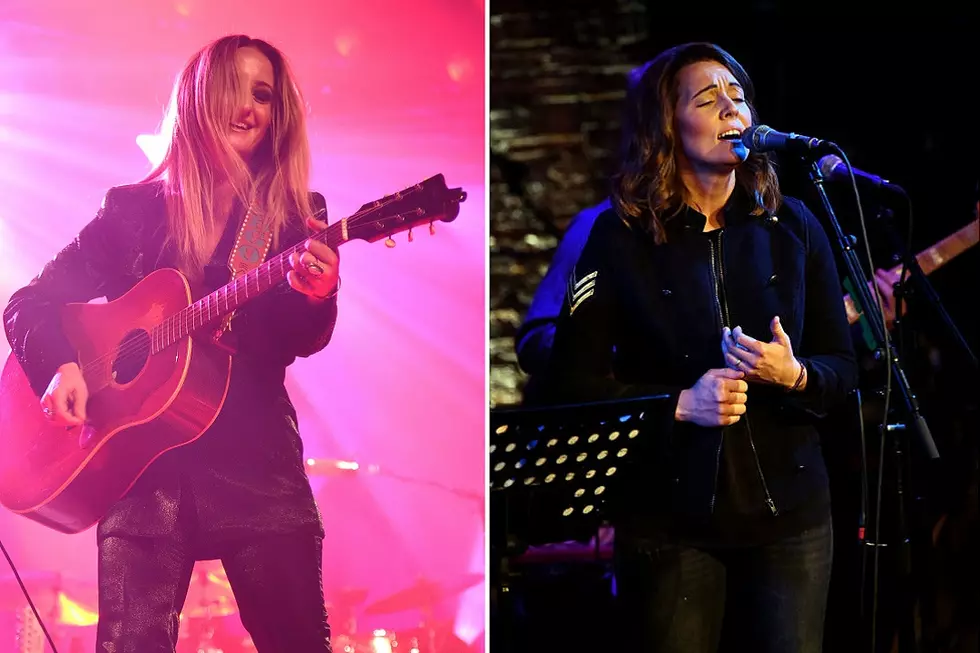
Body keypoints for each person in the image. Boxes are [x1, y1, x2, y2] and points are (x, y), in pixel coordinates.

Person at [3, 35, 339, 652]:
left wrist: (317, 298)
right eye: (233, 90)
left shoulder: (291, 215)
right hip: (139, 472)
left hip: (256, 466)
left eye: (263, 96)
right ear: (198, 100)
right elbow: (28, 302)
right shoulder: (130, 212)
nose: (248, 109)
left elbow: (294, 341)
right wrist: (60, 367)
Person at [528, 42, 858, 653]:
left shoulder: (794, 225)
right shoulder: (618, 236)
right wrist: (680, 403)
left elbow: (843, 370)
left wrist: (795, 375)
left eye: (738, 95)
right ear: (666, 126)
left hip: (792, 520)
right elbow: (570, 386)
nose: (732, 108)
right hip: (669, 522)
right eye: (708, 99)